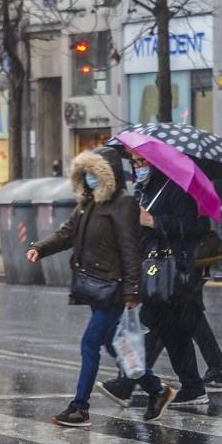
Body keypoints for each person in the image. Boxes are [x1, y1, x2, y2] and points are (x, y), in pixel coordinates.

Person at [28, 147, 176, 427]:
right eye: (86, 173)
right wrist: (39, 248)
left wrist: (132, 292)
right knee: (112, 345)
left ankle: (79, 407)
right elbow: (66, 234)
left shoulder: (123, 205)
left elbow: (131, 251)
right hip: (95, 286)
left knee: (89, 344)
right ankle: (157, 390)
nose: (89, 178)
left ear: (108, 174)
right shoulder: (88, 203)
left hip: (114, 289)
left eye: (94, 173)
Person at [95, 151, 211, 408]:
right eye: (135, 162)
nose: (138, 167)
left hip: (171, 268)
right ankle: (193, 385)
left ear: (157, 162)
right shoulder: (144, 189)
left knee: (149, 325)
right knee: (173, 332)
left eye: (143, 161)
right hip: (151, 266)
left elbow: (193, 227)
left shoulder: (177, 188)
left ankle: (126, 383)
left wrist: (153, 221)